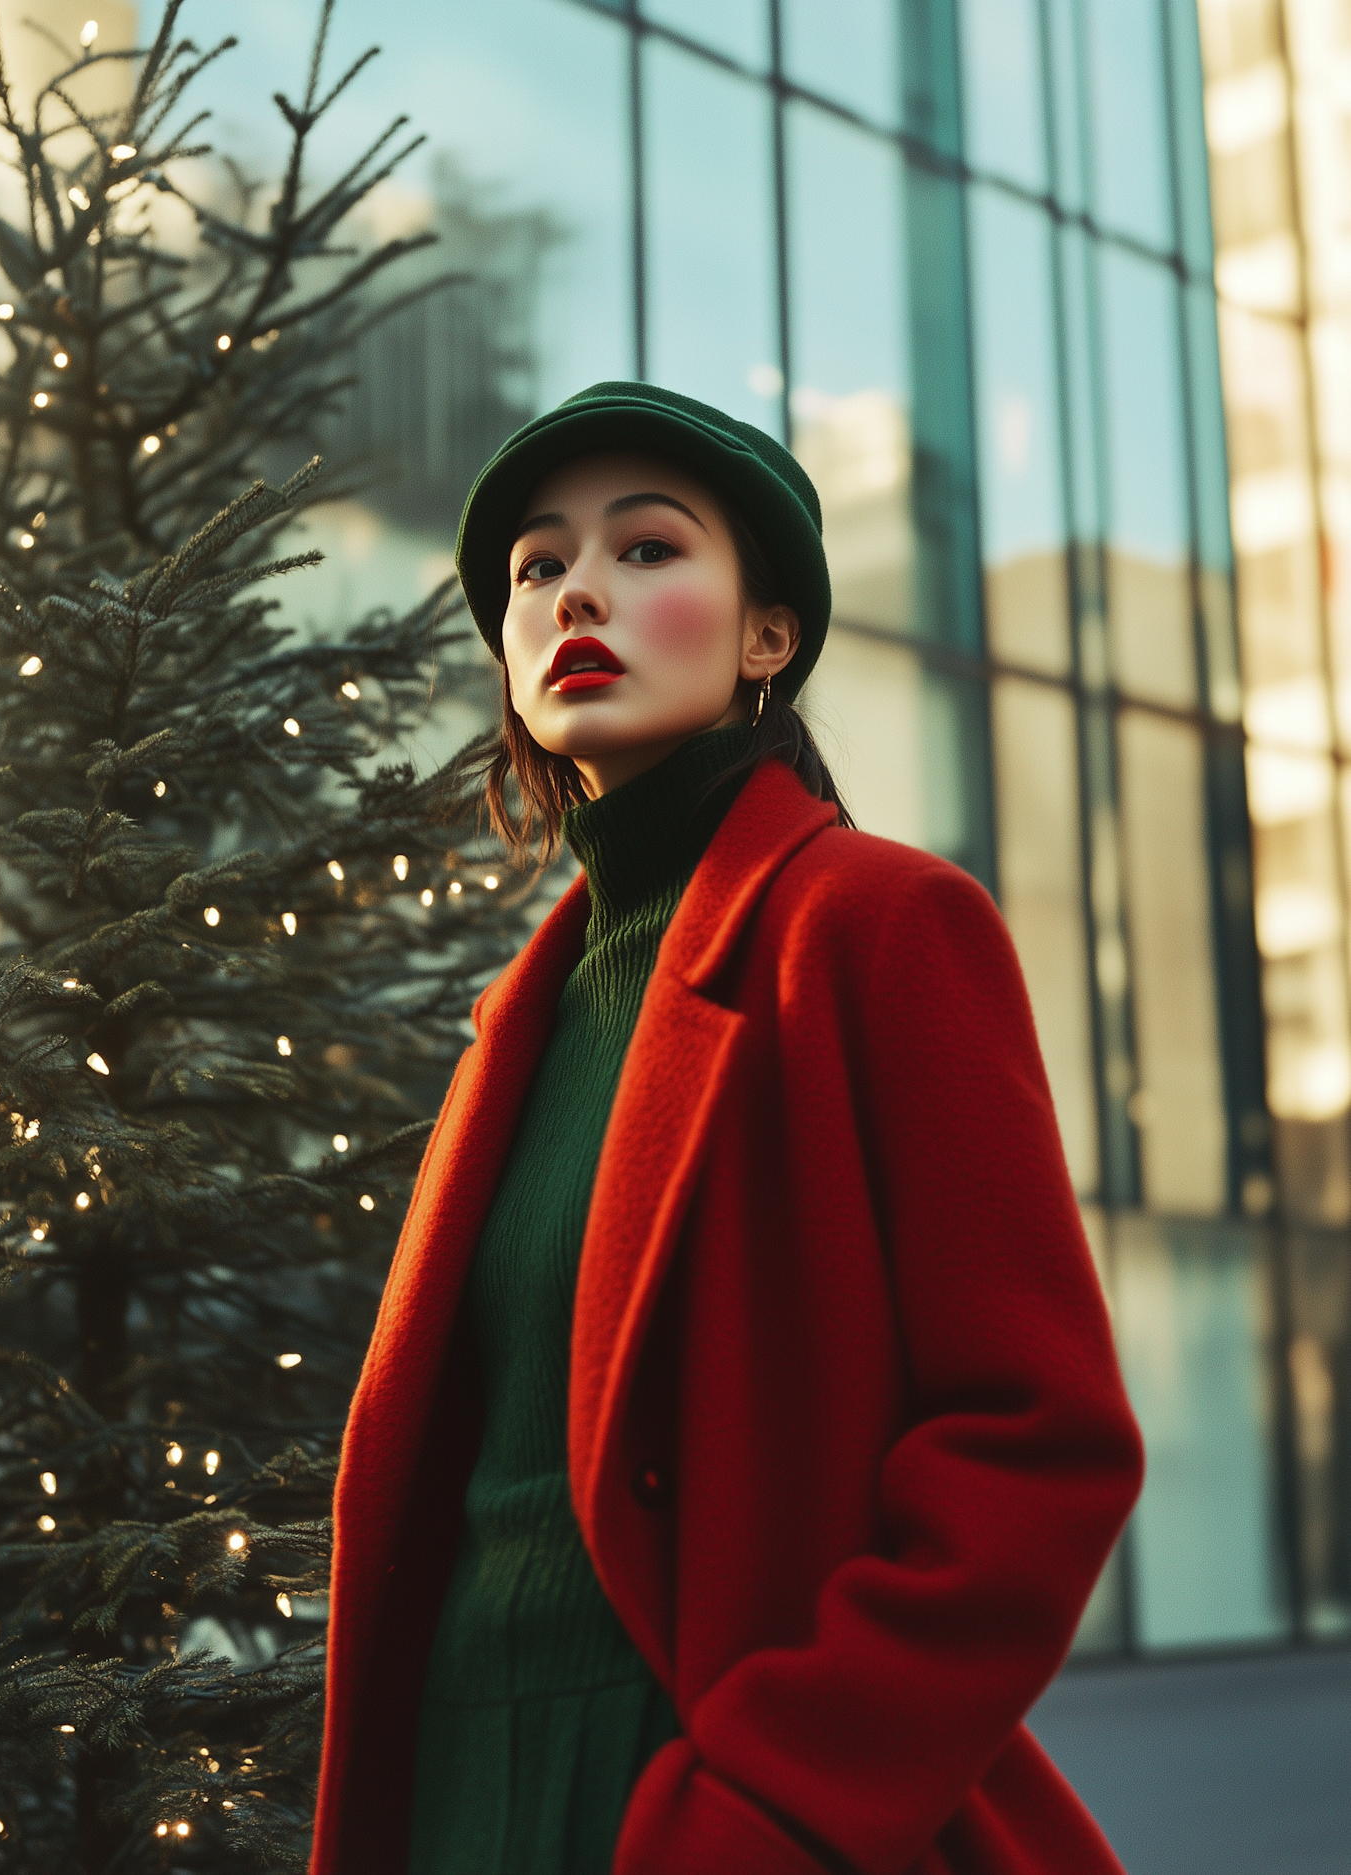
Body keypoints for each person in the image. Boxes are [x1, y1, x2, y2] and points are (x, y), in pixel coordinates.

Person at [308, 381, 1145, 1875]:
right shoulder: (519, 1023)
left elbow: (1040, 1446)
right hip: (453, 1787)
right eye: (537, 567)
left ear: (771, 634)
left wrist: (764, 1809)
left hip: (702, 1803)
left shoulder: (879, 929)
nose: (578, 589)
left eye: (646, 550)